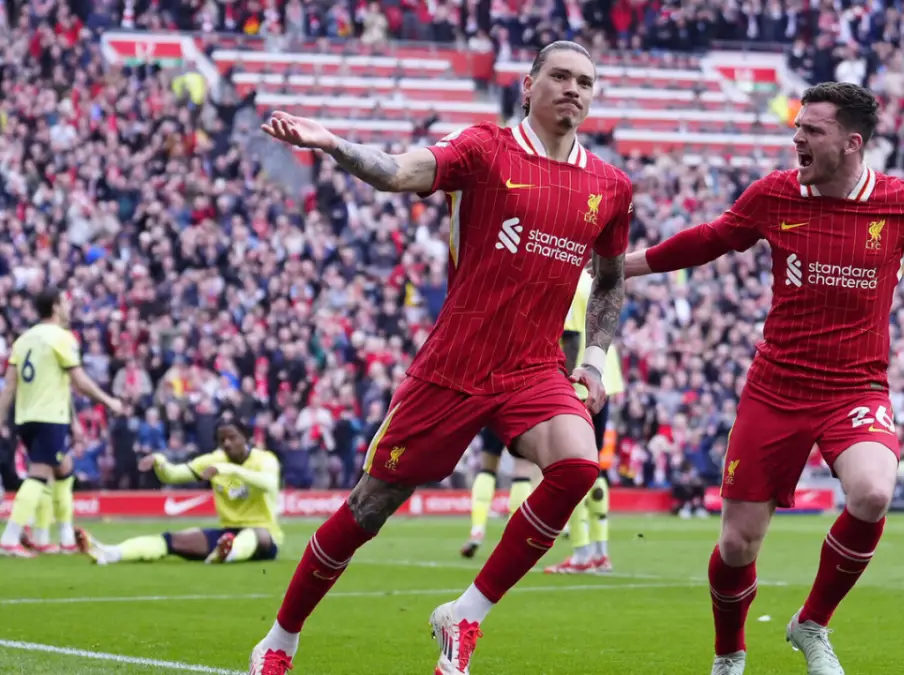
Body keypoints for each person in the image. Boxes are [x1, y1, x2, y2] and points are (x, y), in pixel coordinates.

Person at [623, 82, 904, 675]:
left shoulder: (903, 204)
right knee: (739, 543)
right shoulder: (774, 194)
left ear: (851, 142)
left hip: (855, 388)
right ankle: (729, 655)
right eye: (796, 127)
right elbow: (711, 239)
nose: (796, 138)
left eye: (810, 130)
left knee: (872, 492)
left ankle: (811, 623)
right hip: (776, 387)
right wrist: (624, 267)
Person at [248, 40, 632, 675]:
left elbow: (612, 279)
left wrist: (591, 360)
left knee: (577, 465)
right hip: (455, 364)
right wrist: (334, 143)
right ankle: (280, 640)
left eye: (585, 82)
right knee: (370, 507)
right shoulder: (486, 148)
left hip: (534, 368)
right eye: (560, 77)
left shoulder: (610, 187)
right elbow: (399, 171)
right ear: (529, 82)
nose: (574, 89)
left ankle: (466, 613)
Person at [0, 289, 123, 558]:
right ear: (55, 307)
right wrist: (109, 401)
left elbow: (10, 385)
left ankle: (61, 537)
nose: (68, 308)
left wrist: (0, 418)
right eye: (65, 304)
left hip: (26, 417)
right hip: (48, 418)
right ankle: (9, 538)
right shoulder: (62, 338)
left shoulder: (23, 339)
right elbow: (79, 381)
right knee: (38, 474)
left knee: (63, 469)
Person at [77, 419, 283, 565]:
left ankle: (229, 553)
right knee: (172, 540)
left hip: (264, 534)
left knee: (257, 534)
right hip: (227, 532)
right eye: (222, 440)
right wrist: (160, 461)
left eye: (232, 438)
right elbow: (174, 475)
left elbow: (268, 484)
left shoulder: (265, 459)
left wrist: (227, 469)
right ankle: (111, 553)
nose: (227, 443)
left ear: (246, 438)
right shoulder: (213, 460)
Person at [545, 261, 621, 574]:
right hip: (606, 380)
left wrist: (560, 381)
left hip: (579, 385)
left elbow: (571, 337)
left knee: (571, 467)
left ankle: (581, 554)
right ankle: (601, 553)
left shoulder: (566, 280)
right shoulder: (593, 279)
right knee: (596, 469)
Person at [459, 429, 538, 559]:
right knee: (523, 471)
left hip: (498, 415)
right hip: (525, 417)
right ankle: (513, 538)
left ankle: (477, 531)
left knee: (487, 467)